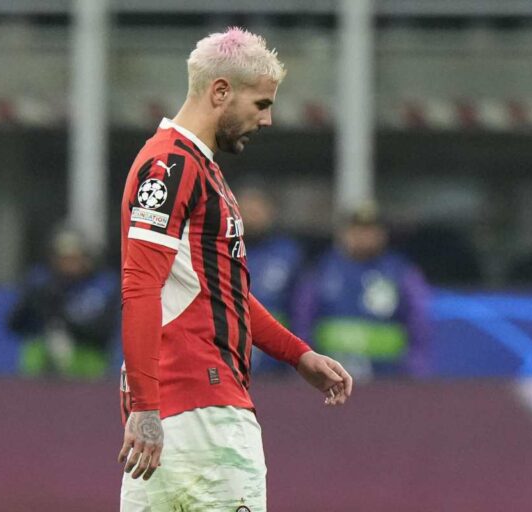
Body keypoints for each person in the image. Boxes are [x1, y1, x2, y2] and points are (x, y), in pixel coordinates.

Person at [117, 27, 353, 511]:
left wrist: (298, 354)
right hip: (202, 409)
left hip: (182, 409)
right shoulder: (172, 166)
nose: (266, 120)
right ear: (220, 91)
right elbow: (140, 286)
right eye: (261, 104)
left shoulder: (197, 169)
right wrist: (144, 406)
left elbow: (221, 291)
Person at [293, 202, 432, 381]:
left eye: (371, 231)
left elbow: (420, 324)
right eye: (357, 230)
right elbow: (302, 321)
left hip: (388, 378)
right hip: (331, 378)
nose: (364, 237)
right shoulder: (321, 270)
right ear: (343, 233)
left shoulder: (401, 273)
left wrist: (415, 372)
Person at [7, 225, 119, 380]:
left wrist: (64, 319)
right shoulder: (42, 283)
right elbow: (15, 325)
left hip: (87, 360)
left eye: (74, 257)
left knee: (87, 357)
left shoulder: (103, 286)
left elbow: (104, 331)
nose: (68, 264)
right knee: (35, 349)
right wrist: (33, 303)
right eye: (62, 257)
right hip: (44, 360)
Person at [236, 185, 305, 374]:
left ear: (270, 211)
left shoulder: (288, 254)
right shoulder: (221, 248)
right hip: (227, 358)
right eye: (247, 209)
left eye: (258, 209)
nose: (253, 215)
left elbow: (301, 310)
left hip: (275, 363)